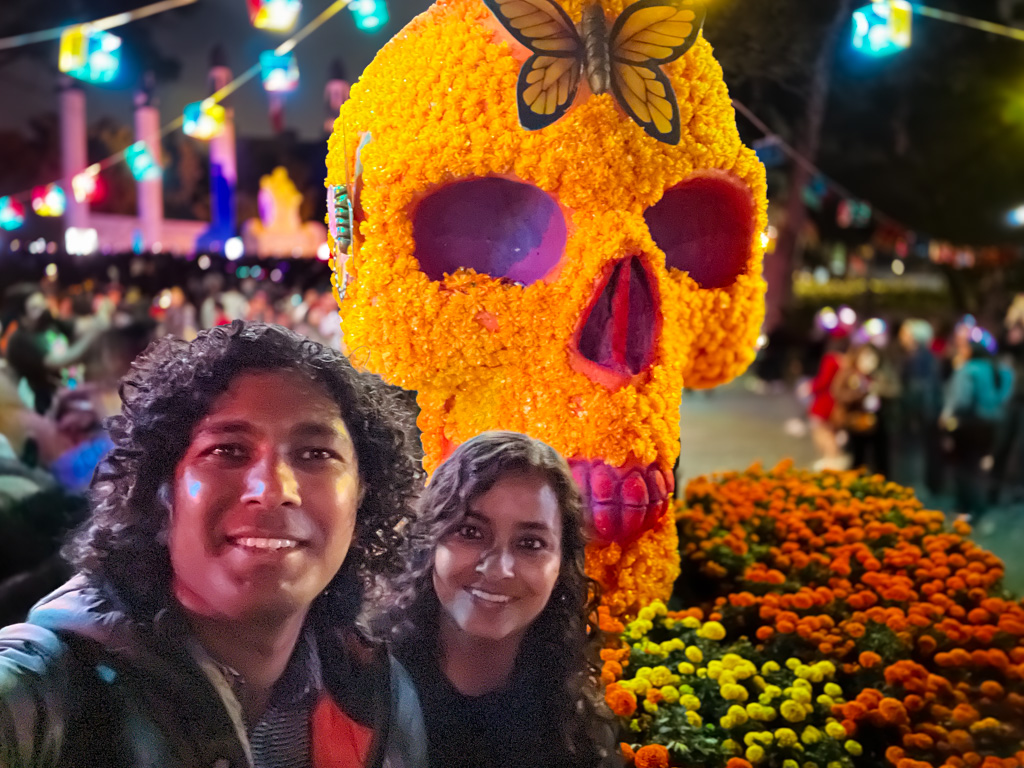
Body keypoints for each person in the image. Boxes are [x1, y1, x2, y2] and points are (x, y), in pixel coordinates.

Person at [0, 321, 427, 768]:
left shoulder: (379, 696)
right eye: (228, 450)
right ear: (162, 493)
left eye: (315, 454)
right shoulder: (57, 690)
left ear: (362, 499)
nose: (272, 487)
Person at [379, 431, 621, 768]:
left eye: (530, 544)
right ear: (429, 542)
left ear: (562, 565)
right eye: (471, 532)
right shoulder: (362, 691)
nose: (498, 569)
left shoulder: (574, 724)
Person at [940, 334, 1014, 524]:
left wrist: (947, 416)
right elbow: (1006, 395)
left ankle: (968, 508)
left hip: (968, 424)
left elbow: (961, 400)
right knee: (980, 466)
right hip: (992, 425)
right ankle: (981, 505)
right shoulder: (1000, 369)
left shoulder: (968, 370)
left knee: (964, 467)